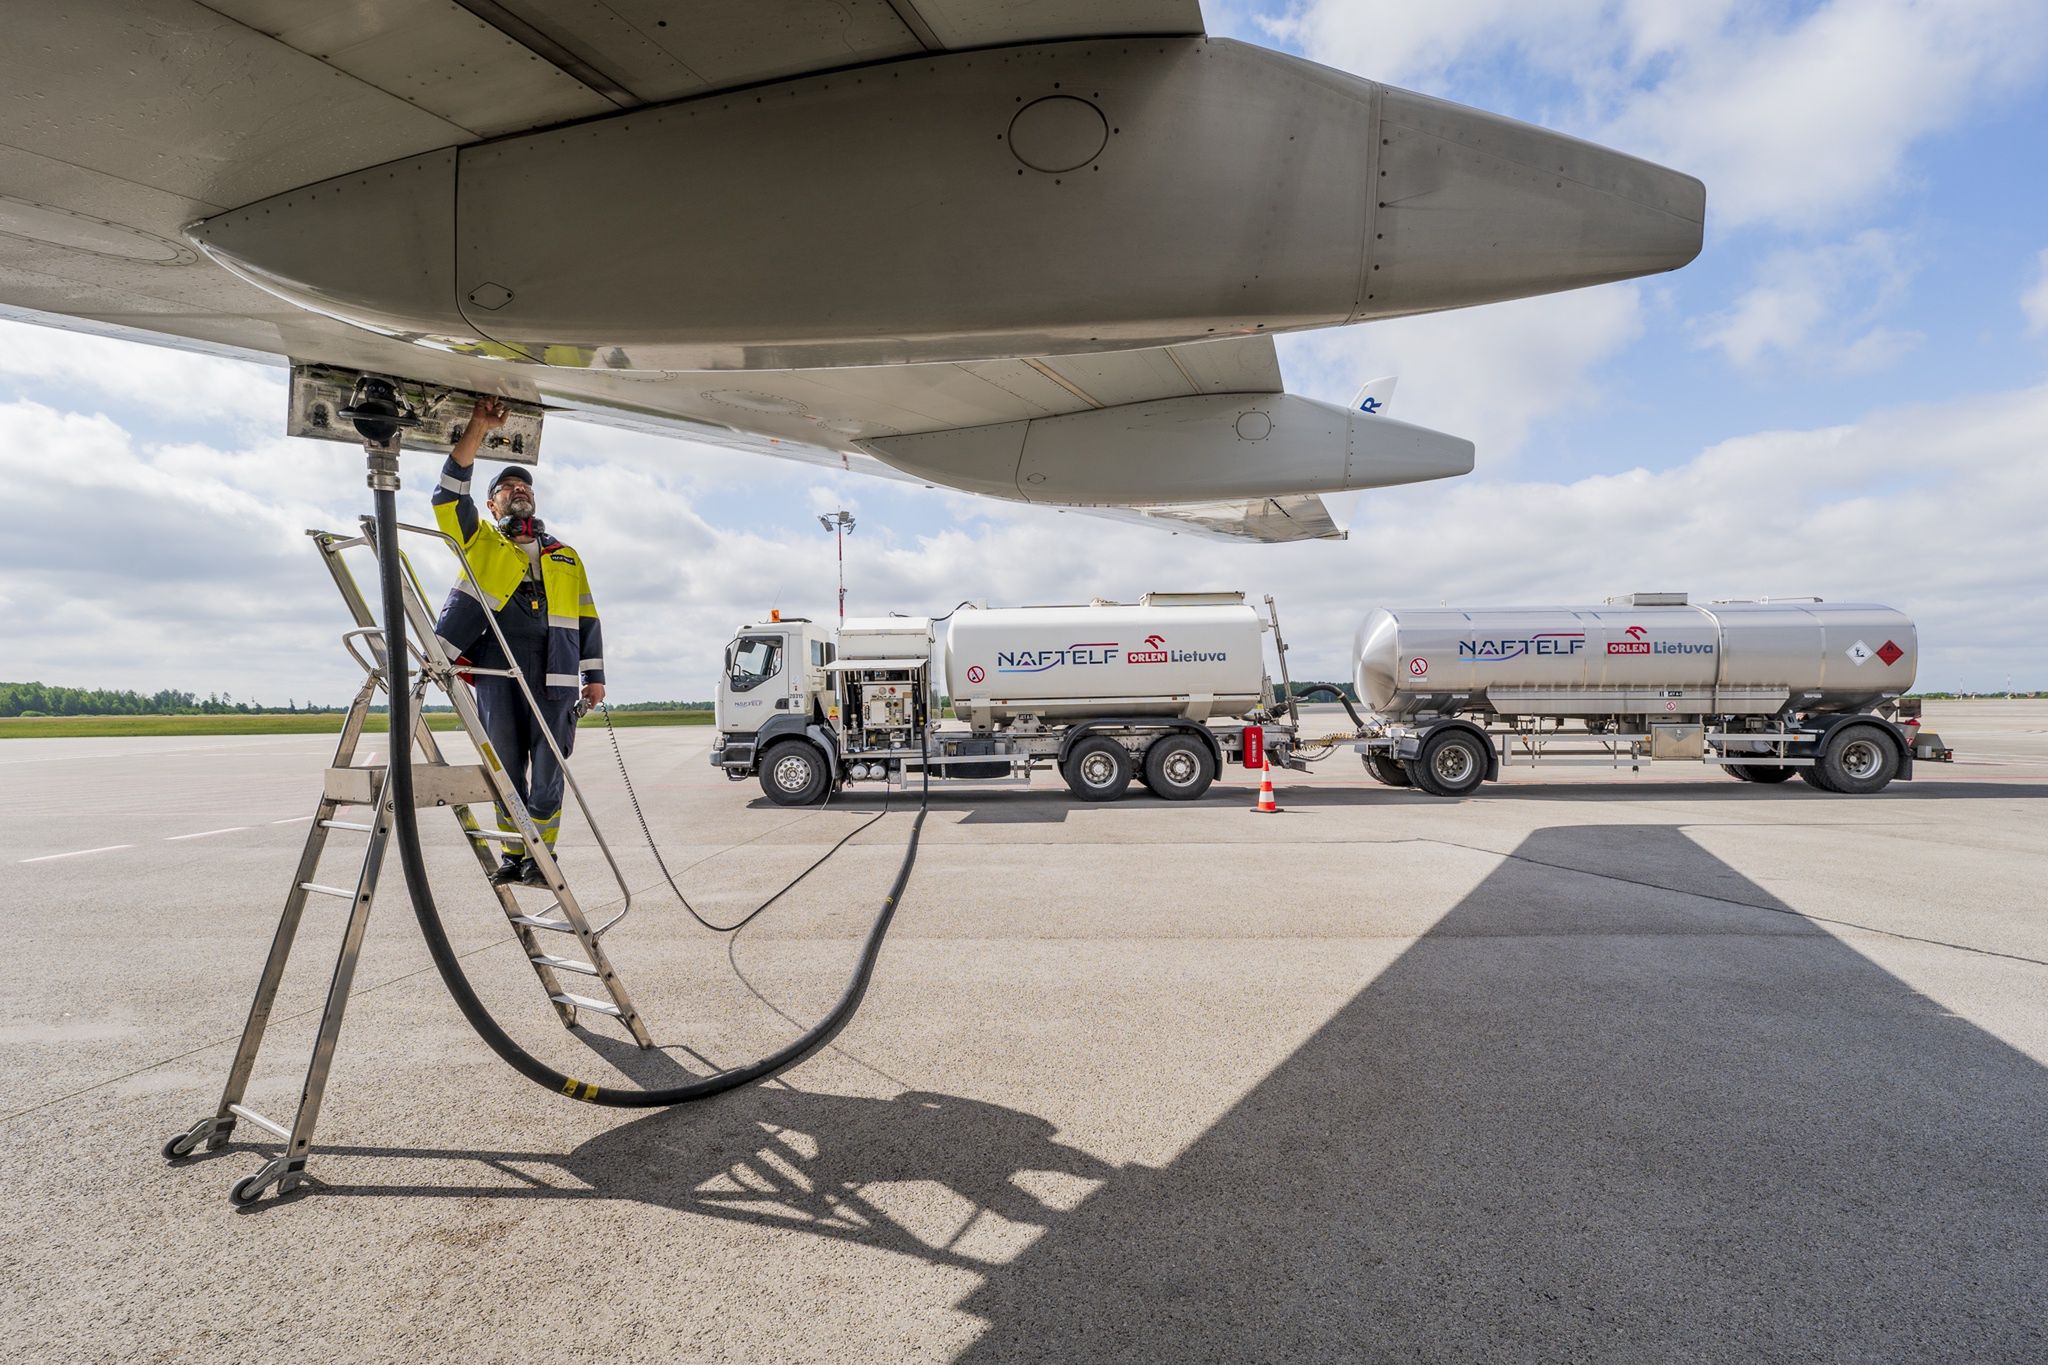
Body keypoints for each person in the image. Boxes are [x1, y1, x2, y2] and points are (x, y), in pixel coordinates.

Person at [430, 397, 605, 885]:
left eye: (524, 485)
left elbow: (588, 618)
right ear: (491, 504)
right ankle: (513, 853)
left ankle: (540, 857)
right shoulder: (479, 541)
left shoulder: (567, 556)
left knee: (549, 767)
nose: (517, 490)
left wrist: (595, 677)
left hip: (555, 669)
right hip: (493, 668)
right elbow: (446, 498)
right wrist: (478, 428)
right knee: (505, 767)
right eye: (506, 488)